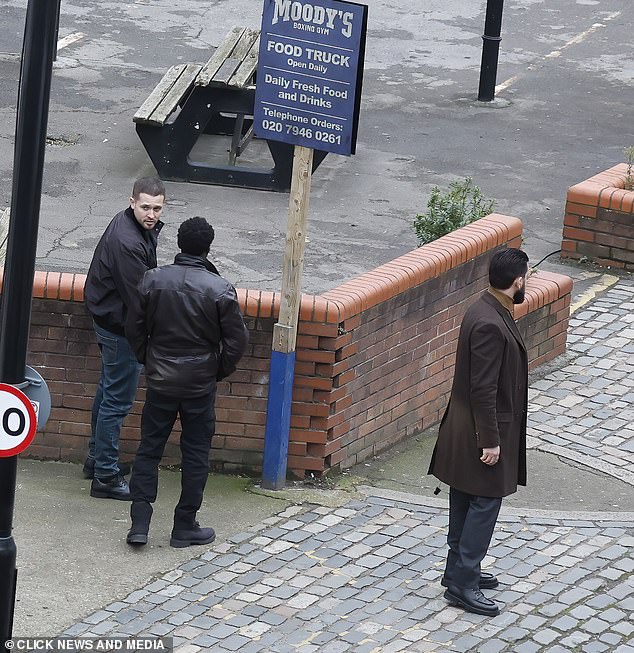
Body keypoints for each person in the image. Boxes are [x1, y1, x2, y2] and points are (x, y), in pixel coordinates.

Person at [125, 217, 249, 548]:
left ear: (179, 244)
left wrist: (149, 360)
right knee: (195, 454)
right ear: (208, 246)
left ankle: (139, 523)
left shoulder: (153, 280)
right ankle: (184, 525)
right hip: (199, 385)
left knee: (149, 448)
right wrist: (214, 370)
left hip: (160, 381)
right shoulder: (219, 289)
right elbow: (237, 342)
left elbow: (134, 328)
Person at [428, 248, 530, 617]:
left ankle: (457, 570)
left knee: (465, 497)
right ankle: (463, 583)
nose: (527, 283)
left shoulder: (484, 308)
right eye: (526, 277)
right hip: (481, 429)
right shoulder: (490, 322)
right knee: (484, 503)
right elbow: (483, 389)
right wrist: (491, 441)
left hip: (466, 426)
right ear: (518, 281)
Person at [84, 177, 166, 500]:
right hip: (120, 328)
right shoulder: (129, 242)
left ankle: (96, 459)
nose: (151, 214)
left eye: (157, 208)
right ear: (132, 202)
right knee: (117, 401)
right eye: (145, 206)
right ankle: (105, 475)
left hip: (109, 319)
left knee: (108, 391)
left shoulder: (130, 226)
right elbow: (140, 299)